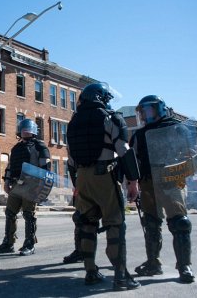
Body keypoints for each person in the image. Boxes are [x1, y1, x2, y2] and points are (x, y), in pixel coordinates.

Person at [67, 83, 141, 291]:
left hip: (81, 177)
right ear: (100, 97)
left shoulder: (73, 122)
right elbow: (124, 150)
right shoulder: (111, 117)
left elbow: (70, 159)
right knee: (115, 224)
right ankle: (121, 276)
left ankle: (91, 272)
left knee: (87, 224)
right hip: (104, 176)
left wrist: (76, 186)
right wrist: (133, 181)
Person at [128, 95, 195, 283]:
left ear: (159, 109)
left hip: (172, 179)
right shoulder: (140, 134)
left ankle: (184, 266)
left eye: (147, 110)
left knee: (180, 223)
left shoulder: (176, 128)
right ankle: (153, 263)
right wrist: (132, 183)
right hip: (148, 181)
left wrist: (184, 168)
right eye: (141, 111)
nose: (144, 114)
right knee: (150, 223)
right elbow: (133, 160)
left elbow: (191, 153)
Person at [0, 118, 51, 256]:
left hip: (32, 185)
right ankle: (9, 242)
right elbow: (10, 167)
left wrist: (41, 187)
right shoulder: (16, 148)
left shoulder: (40, 147)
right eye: (23, 130)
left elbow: (46, 169)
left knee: (28, 214)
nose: (25, 132)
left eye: (27, 130)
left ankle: (29, 244)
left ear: (33, 131)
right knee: (10, 213)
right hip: (16, 184)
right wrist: (7, 183)